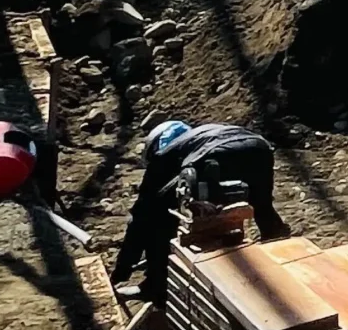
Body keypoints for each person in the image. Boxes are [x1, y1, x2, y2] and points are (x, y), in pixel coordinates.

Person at [110, 120, 291, 304]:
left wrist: (122, 269)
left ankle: (155, 287)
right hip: (258, 148)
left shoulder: (162, 157)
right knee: (261, 207)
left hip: (214, 155)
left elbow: (140, 218)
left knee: (159, 220)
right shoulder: (200, 136)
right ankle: (286, 260)